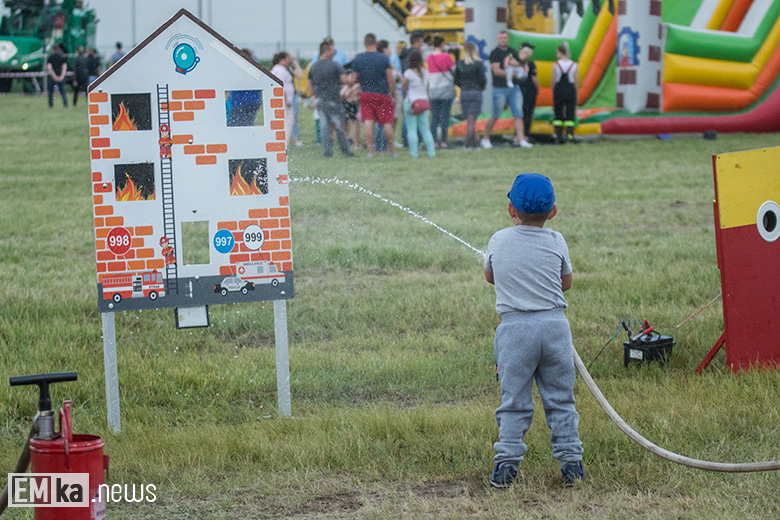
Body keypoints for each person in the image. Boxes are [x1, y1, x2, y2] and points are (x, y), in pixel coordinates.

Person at [484, 173, 584, 488]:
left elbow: (490, 277)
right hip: (555, 328)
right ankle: (572, 466)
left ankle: (506, 468)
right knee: (561, 399)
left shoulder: (499, 239)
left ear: (510, 209)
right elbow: (566, 283)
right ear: (553, 211)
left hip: (515, 331)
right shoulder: (557, 240)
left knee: (514, 401)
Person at [481, 31, 532, 149]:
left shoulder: (513, 51)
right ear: (497, 39)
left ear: (508, 39)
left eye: (505, 38)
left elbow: (520, 64)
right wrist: (512, 74)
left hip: (514, 88)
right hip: (499, 88)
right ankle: (485, 138)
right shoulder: (495, 53)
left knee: (518, 113)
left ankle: (521, 139)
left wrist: (518, 69)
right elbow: (496, 70)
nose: (503, 40)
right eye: (501, 38)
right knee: (495, 114)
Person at [350, 33, 397, 158]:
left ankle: (370, 152)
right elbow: (390, 79)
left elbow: (353, 79)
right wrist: (392, 94)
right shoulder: (384, 58)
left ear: (365, 44)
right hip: (382, 94)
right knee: (386, 123)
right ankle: (392, 152)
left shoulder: (358, 58)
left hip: (366, 94)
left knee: (368, 122)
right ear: (376, 43)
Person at [308, 41, 354, 158]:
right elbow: (344, 80)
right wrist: (351, 80)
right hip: (333, 99)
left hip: (320, 100)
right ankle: (345, 151)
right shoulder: (335, 65)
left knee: (324, 126)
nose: (333, 53)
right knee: (339, 126)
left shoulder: (314, 66)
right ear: (326, 51)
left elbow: (309, 84)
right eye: (332, 50)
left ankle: (327, 152)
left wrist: (314, 95)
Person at [401, 49, 435, 158]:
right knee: (425, 129)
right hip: (423, 102)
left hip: (411, 103)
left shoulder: (408, 73)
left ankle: (414, 153)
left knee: (412, 129)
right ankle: (431, 152)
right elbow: (428, 88)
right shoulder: (425, 72)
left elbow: (404, 88)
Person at [453, 42, 486, 149]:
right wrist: (480, 87)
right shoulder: (478, 64)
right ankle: (466, 145)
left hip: (464, 92)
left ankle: (475, 145)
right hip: (476, 92)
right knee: (472, 121)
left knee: (469, 120)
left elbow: (456, 80)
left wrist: (463, 85)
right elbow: (483, 80)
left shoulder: (459, 63)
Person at [427, 35, 456, 149]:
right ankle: (444, 141)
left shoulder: (429, 57)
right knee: (445, 116)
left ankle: (434, 141)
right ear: (442, 43)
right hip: (446, 90)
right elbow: (454, 70)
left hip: (434, 90)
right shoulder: (446, 56)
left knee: (434, 116)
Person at [270, 52, 299, 148]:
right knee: (288, 122)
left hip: (282, 100)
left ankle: (282, 143)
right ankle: (284, 144)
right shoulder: (281, 70)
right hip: (284, 101)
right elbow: (279, 86)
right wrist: (286, 99)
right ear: (282, 60)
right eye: (287, 59)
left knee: (284, 122)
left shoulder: (277, 69)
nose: (288, 61)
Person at [551, 42, 579, 144]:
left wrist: (553, 91)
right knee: (570, 111)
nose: (556, 54)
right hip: (570, 89)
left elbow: (553, 80)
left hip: (559, 89)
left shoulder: (556, 64)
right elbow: (576, 81)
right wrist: (577, 93)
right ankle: (569, 134)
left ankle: (558, 134)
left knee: (558, 111)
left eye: (557, 52)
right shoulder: (574, 65)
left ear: (561, 52)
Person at [516, 42, 539, 140]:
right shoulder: (530, 63)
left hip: (518, 90)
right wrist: (537, 88)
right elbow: (534, 78)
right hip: (529, 91)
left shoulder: (515, 62)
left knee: (518, 113)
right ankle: (525, 134)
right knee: (528, 113)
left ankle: (517, 134)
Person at [46, 43, 68, 108]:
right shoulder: (62, 57)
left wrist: (54, 76)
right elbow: (64, 67)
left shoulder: (50, 58)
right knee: (62, 91)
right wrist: (61, 76)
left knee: (50, 92)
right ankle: (65, 104)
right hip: (60, 76)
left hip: (52, 77)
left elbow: (49, 68)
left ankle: (50, 105)